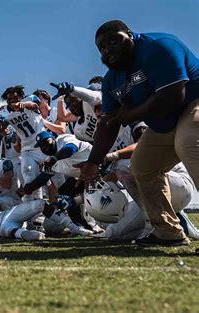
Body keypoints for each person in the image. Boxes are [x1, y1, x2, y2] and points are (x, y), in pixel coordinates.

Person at [76, 19, 199, 246]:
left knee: (189, 143)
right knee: (142, 165)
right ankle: (167, 231)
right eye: (102, 47)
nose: (108, 49)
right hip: (165, 123)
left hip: (192, 102)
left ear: (130, 35)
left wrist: (129, 115)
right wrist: (93, 161)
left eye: (113, 41)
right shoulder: (111, 80)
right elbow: (108, 124)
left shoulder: (159, 46)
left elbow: (173, 95)